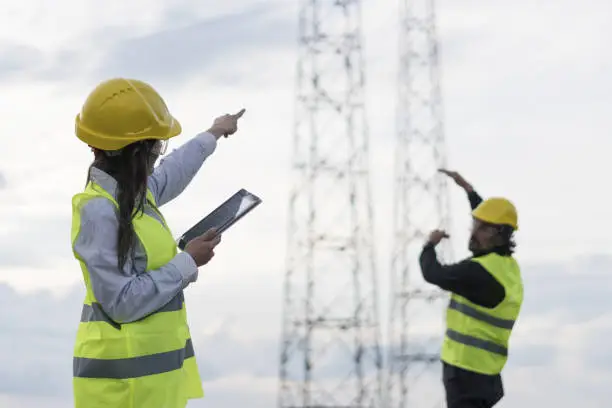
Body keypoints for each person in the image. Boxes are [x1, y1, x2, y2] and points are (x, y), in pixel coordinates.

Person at [70, 77, 246, 408]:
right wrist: (188, 261)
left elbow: (172, 172)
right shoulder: (99, 210)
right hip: (121, 393)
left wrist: (214, 132)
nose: (157, 153)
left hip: (150, 389)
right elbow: (121, 302)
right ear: (134, 150)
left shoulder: (132, 195)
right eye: (155, 145)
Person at [419, 169, 524, 408]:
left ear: (500, 234)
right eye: (474, 223)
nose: (474, 231)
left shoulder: (477, 273)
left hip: (466, 373)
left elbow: (432, 273)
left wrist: (429, 245)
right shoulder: (506, 267)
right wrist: (469, 190)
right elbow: (491, 220)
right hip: (485, 375)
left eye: (482, 227)